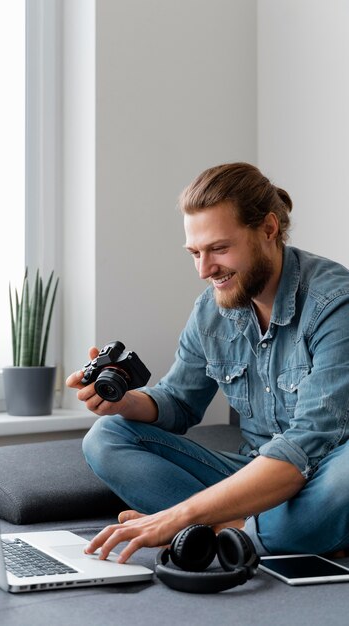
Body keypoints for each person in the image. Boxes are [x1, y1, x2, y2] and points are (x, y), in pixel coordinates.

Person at [66, 162, 349, 565]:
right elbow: (179, 403)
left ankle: (215, 531)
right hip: (250, 477)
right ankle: (256, 532)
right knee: (106, 436)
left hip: (322, 475)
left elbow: (305, 449)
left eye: (219, 249)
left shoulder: (334, 304)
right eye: (195, 253)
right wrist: (123, 402)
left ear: (268, 229)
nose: (204, 270)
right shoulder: (213, 308)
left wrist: (174, 517)